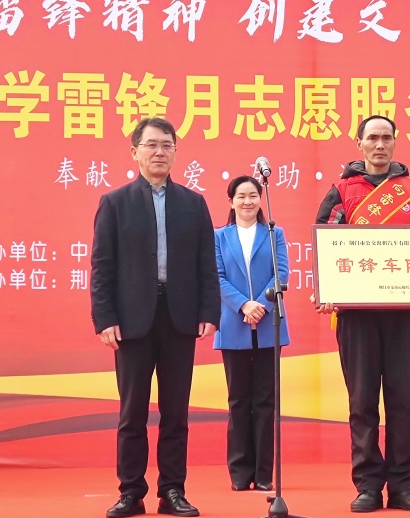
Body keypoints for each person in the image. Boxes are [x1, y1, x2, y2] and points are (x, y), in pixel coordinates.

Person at [314, 115, 410, 513]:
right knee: (362, 402)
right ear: (359, 143)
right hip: (356, 316)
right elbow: (326, 243)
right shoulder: (340, 191)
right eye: (372, 137)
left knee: (403, 401)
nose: (379, 144)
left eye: (386, 137)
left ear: (395, 142)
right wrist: (328, 289)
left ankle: (404, 485)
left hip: (403, 315)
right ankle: (368, 485)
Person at [90, 117, 220, 518]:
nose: (159, 152)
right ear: (135, 152)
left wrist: (209, 311)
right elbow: (102, 266)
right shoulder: (115, 203)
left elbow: (206, 263)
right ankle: (131, 492)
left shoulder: (193, 203)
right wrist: (104, 317)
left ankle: (172, 491)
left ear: (176, 152)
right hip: (132, 321)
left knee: (176, 412)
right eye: (151, 145)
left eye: (167, 145)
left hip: (179, 318)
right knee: (132, 413)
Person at [213, 175, 290, 492]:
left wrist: (261, 304)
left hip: (269, 324)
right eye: (241, 196)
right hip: (234, 325)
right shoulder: (219, 236)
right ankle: (240, 472)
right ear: (231, 202)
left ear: (261, 199)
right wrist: (243, 305)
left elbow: (281, 273)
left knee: (265, 402)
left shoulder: (274, 233)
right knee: (238, 401)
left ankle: (264, 473)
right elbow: (216, 277)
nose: (247, 201)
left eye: (253, 195)